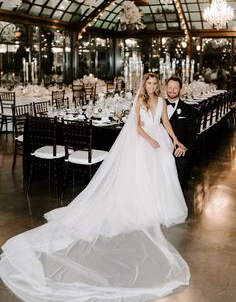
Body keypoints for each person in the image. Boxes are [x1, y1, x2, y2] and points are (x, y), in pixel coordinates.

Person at [0, 73, 190, 302]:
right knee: (143, 173)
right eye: (148, 83)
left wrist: (176, 140)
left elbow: (166, 123)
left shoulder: (160, 102)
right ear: (144, 85)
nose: (151, 86)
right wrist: (149, 140)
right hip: (145, 140)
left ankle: (159, 204)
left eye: (154, 83)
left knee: (164, 165)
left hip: (159, 137)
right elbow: (136, 128)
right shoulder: (139, 101)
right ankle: (142, 202)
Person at [166, 76, 198, 188]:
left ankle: (177, 193)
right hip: (160, 145)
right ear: (166, 88)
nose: (172, 90)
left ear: (180, 90)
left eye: (175, 88)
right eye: (170, 87)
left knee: (181, 161)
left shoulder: (189, 110)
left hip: (178, 146)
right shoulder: (159, 106)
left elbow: (192, 133)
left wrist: (183, 147)